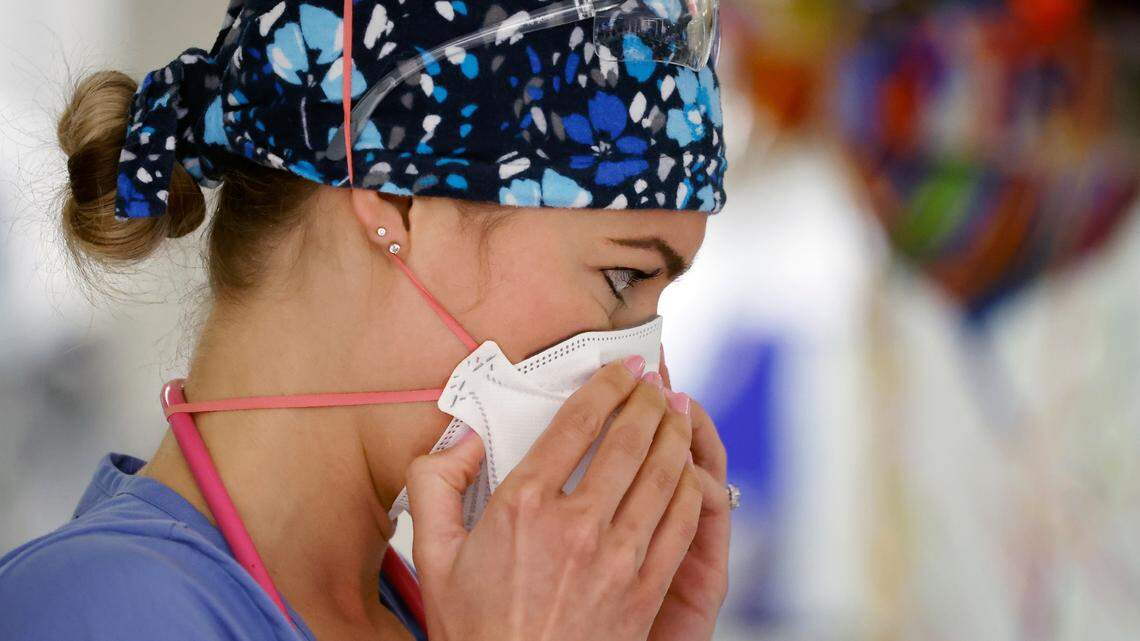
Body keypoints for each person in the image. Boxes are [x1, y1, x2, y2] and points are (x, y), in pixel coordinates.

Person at [0, 1, 733, 639]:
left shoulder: (434, 614)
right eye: (623, 276)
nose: (649, 374)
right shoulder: (90, 610)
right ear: (399, 201)